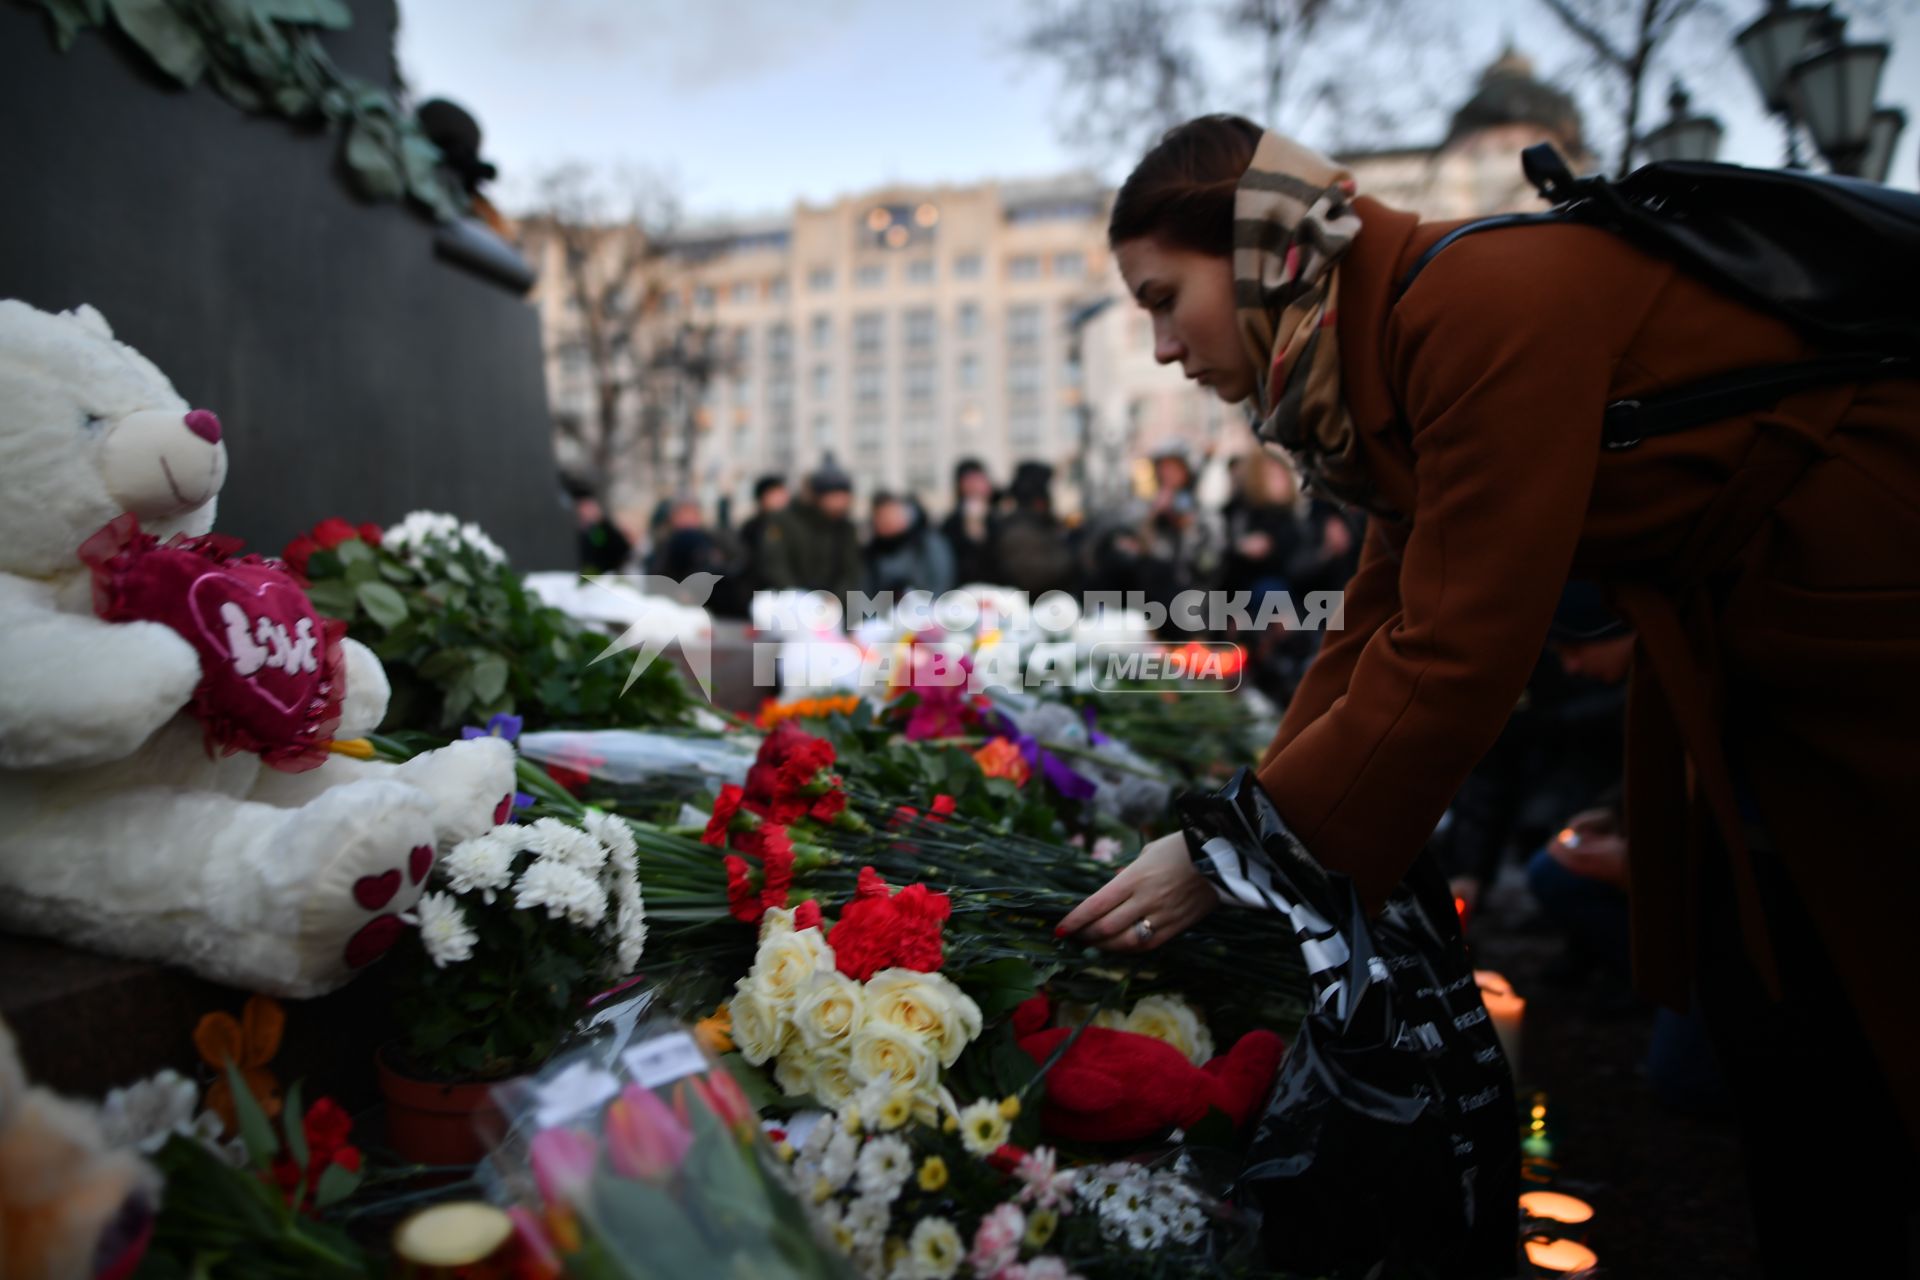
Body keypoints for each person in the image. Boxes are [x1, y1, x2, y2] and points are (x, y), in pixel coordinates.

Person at [1056, 114, 1920, 1274]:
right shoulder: (1406, 332)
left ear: (1259, 251)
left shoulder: (1472, 305)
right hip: (1792, 674)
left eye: (1165, 296)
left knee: (1854, 1021)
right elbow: (1373, 625)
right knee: (1794, 1033)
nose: (1162, 345)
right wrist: (1233, 826)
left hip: (1873, 662)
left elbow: (1456, 652)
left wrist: (1229, 857)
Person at [757, 457, 862, 607]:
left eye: (844, 496)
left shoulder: (845, 528)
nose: (841, 502)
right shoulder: (784, 521)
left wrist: (835, 599)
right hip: (792, 604)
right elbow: (775, 565)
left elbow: (850, 572)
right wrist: (799, 599)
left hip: (831, 607)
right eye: (835, 496)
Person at [863, 491, 955, 600]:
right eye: (882, 517)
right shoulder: (870, 555)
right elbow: (865, 594)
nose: (888, 521)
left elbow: (943, 583)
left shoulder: (928, 543)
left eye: (893, 514)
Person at [940, 458, 1001, 586]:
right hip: (965, 591)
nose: (976, 487)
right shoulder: (951, 524)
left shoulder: (1001, 516)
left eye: (979, 480)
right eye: (970, 482)